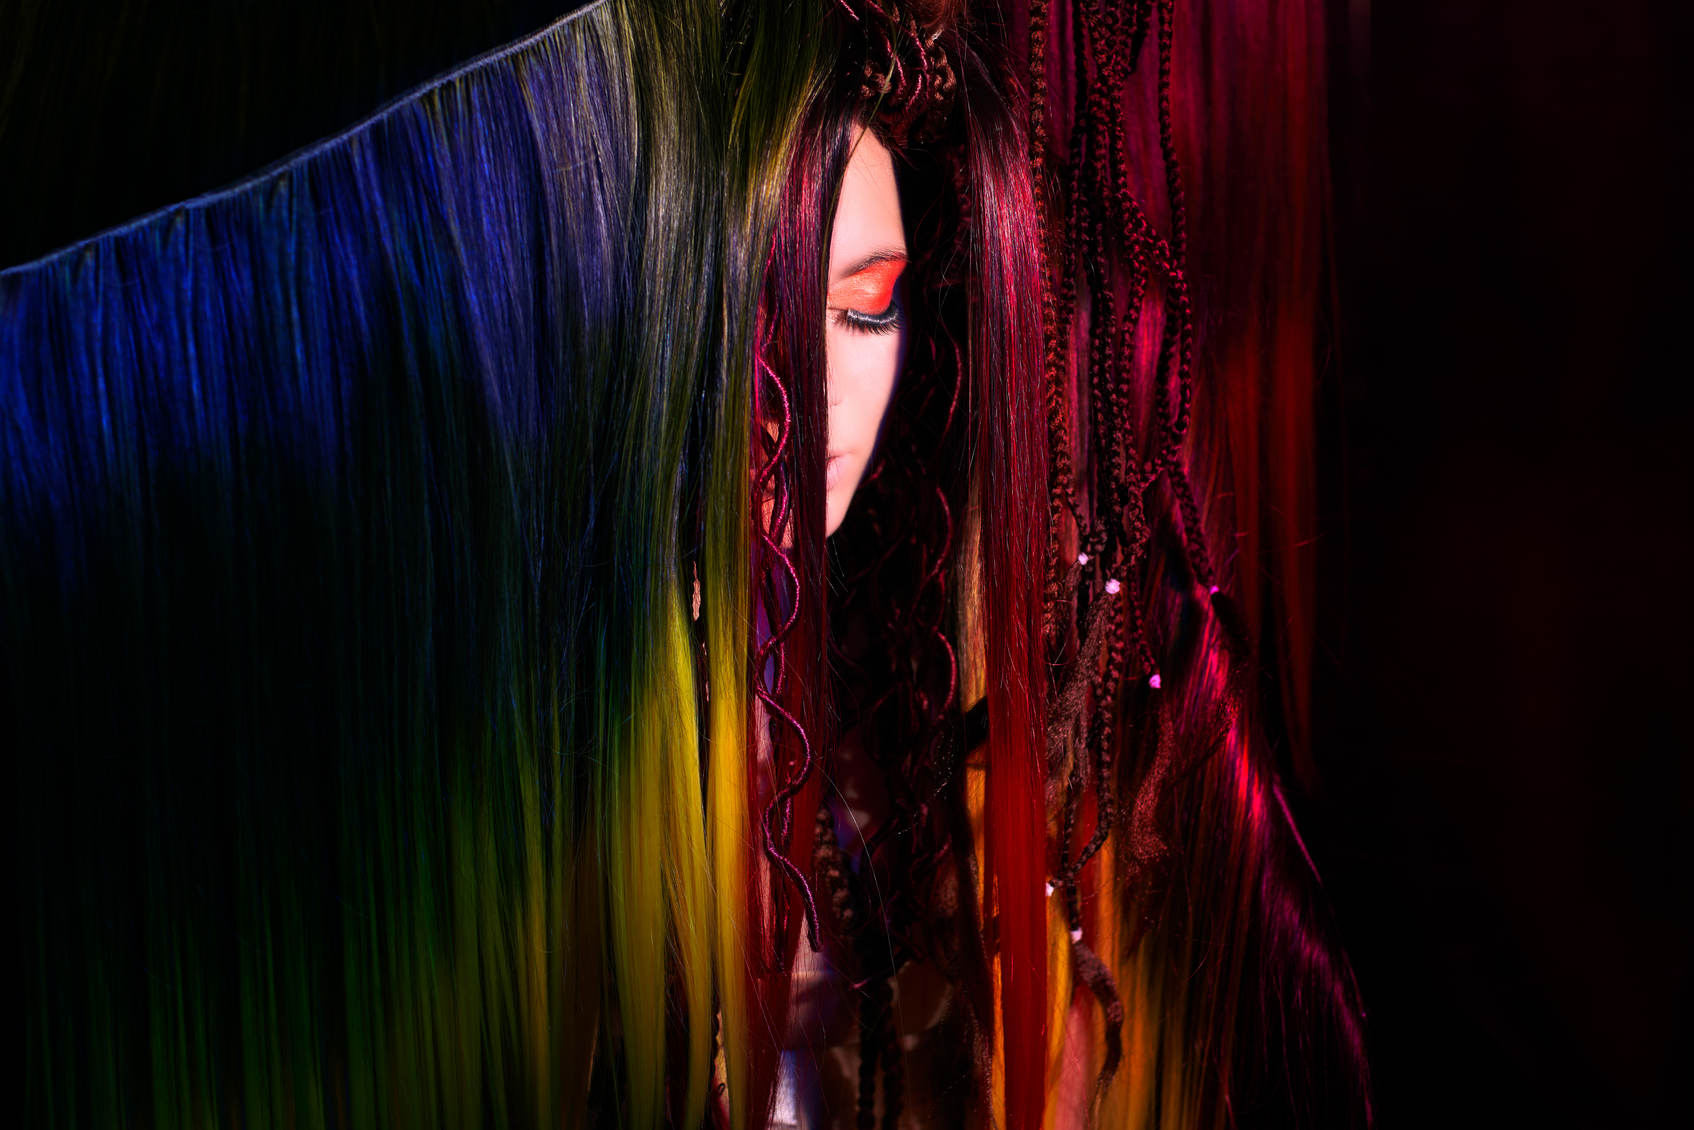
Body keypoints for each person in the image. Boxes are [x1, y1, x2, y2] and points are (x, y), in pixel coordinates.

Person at [5, 1, 1368, 1127]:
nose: (819, 400)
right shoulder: (467, 778)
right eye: (758, 325)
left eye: (868, 305)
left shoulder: (924, 772)